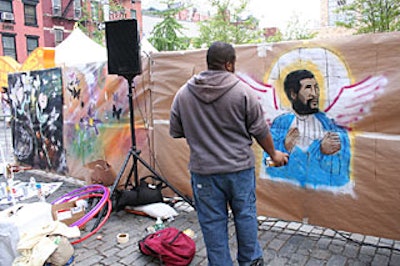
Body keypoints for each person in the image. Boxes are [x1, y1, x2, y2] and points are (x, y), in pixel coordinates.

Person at [169, 41, 288, 266]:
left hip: (204, 173)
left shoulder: (184, 94)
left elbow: (176, 131)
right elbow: (260, 130)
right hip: (239, 171)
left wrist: (202, 135)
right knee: (245, 217)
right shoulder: (242, 92)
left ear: (208, 63)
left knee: (212, 224)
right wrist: (274, 155)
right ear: (229, 64)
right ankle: (251, 261)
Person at [264, 69, 350, 188]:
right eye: (308, 88)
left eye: (316, 88)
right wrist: (285, 148)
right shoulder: (281, 124)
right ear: (293, 94)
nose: (314, 94)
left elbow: (340, 175)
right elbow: (267, 164)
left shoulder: (328, 125)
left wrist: (324, 153)